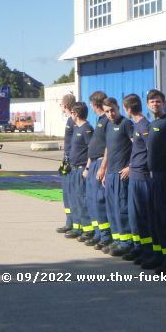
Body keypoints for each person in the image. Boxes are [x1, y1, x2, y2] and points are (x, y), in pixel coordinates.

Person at [144, 90, 166, 272]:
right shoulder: (151, 124)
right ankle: (158, 256)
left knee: (164, 219)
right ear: (148, 104)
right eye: (152, 101)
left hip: (165, 177)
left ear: (164, 103)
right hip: (152, 177)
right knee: (154, 219)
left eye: (158, 101)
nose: (155, 104)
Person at [100, 96, 133, 256]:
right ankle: (117, 239)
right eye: (107, 111)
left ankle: (126, 242)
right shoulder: (107, 125)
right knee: (112, 209)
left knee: (122, 208)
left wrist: (130, 167)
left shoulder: (126, 124)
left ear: (118, 107)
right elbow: (108, 148)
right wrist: (104, 169)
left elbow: (139, 146)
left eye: (112, 110)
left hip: (122, 174)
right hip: (111, 173)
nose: (110, 114)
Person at [122, 94, 152, 262]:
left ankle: (147, 250)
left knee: (142, 214)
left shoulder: (144, 126)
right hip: (135, 174)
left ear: (128, 109)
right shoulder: (136, 126)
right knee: (134, 215)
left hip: (142, 176)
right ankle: (139, 247)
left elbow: (150, 151)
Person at [84, 91, 111, 249]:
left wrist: (103, 167)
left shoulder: (107, 122)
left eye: (91, 105)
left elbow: (109, 146)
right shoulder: (100, 121)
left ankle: (106, 235)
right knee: (93, 200)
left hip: (101, 163)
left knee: (100, 200)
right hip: (94, 163)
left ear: (95, 104)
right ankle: (98, 232)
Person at [67, 102, 95, 241]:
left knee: (82, 199)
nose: (71, 115)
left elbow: (92, 150)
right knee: (75, 199)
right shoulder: (77, 128)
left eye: (72, 113)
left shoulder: (87, 129)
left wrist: (87, 168)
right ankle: (77, 227)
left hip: (81, 169)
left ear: (76, 114)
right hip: (73, 169)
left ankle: (88, 230)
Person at [57, 94, 77, 235]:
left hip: (71, 161)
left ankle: (73, 222)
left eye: (61, 105)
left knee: (71, 192)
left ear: (65, 106)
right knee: (66, 193)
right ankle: (69, 221)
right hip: (67, 160)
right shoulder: (70, 120)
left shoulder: (73, 121)